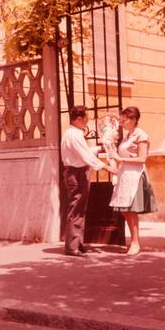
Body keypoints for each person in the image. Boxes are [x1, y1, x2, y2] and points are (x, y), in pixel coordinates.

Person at [61, 105, 116, 257]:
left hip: (77, 171)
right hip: (76, 173)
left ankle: (77, 242)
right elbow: (85, 156)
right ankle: (72, 246)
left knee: (79, 209)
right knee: (76, 208)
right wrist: (106, 167)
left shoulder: (72, 133)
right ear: (78, 118)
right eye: (86, 118)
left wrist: (100, 148)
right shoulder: (74, 134)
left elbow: (83, 153)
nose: (87, 120)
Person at [109, 107, 157, 255]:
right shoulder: (127, 136)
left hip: (135, 176)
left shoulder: (140, 135)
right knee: (125, 210)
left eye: (124, 120)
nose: (122, 123)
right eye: (121, 120)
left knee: (131, 210)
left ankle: (135, 242)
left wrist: (121, 159)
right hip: (125, 175)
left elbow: (142, 158)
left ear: (134, 119)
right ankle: (134, 241)